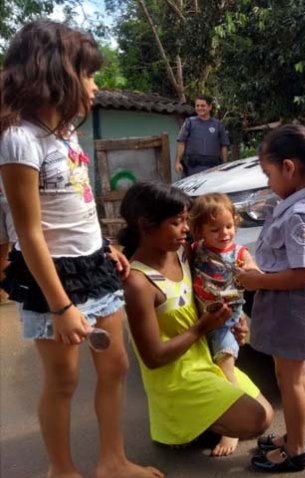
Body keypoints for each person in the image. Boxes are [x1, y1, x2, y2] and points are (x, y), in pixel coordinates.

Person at [0, 20, 162, 478]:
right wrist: (61, 305)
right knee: (64, 378)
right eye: (87, 74)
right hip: (52, 276)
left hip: (93, 264)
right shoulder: (19, 138)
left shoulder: (65, 131)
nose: (94, 85)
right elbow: (29, 232)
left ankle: (112, 461)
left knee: (115, 366)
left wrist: (105, 246)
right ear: (56, 72)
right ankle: (62, 470)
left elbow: (78, 202)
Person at [118, 182, 273, 458]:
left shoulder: (184, 253)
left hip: (206, 360)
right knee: (255, 420)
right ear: (145, 225)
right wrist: (203, 327)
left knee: (267, 414)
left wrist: (234, 320)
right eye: (177, 222)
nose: (186, 229)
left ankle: (208, 420)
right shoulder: (138, 283)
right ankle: (185, 420)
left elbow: (213, 286)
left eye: (185, 221)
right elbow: (153, 357)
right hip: (177, 377)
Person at [236, 124, 305, 472]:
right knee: (295, 375)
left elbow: (302, 274)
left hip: (293, 303)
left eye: (268, 173)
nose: (268, 181)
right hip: (295, 301)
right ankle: (298, 434)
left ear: (288, 168)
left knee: (291, 378)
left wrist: (257, 279)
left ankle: (296, 449)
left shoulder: (300, 214)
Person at [189, 193, 259, 409]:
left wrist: (252, 271)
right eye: (215, 229)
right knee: (212, 369)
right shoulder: (196, 250)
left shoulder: (239, 253)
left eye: (229, 226)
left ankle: (239, 412)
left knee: (225, 364)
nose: (224, 233)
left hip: (226, 322)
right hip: (200, 317)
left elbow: (255, 274)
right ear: (199, 231)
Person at [175, 96, 230, 176]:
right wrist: (178, 162)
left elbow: (224, 146)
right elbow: (181, 142)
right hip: (193, 168)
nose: (200, 108)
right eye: (197, 106)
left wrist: (225, 164)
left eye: (203, 105)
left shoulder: (218, 125)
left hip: (214, 168)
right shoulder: (189, 123)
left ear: (210, 107)